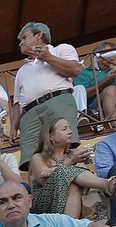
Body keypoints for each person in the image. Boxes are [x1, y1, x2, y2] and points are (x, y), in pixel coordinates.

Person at [13, 22, 84, 160]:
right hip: (29, 113)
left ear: (39, 34)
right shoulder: (22, 70)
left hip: (57, 102)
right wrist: (14, 127)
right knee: (32, 158)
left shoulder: (61, 49)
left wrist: (47, 57)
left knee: (64, 149)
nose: (21, 43)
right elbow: (17, 102)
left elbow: (75, 70)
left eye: (24, 37)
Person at [29, 118, 116, 220]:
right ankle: (106, 184)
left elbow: (85, 178)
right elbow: (43, 179)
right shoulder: (38, 157)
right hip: (45, 204)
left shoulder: (75, 154)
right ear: (51, 137)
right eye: (64, 129)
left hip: (74, 198)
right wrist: (71, 162)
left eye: (70, 128)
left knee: (73, 185)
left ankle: (70, 226)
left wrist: (57, 168)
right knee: (69, 178)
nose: (70, 132)